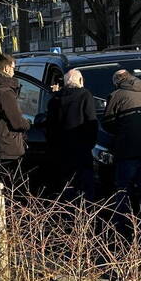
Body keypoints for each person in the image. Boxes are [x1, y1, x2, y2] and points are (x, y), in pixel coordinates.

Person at [103, 69, 141, 218]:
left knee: (123, 188)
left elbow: (107, 123)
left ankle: (124, 225)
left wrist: (122, 130)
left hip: (126, 150)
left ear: (117, 81)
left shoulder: (116, 96)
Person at [45, 69, 99, 200]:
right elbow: (91, 121)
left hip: (61, 151)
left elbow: (49, 127)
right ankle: (85, 216)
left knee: (66, 187)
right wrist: (90, 143)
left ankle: (67, 217)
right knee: (86, 188)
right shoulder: (85, 95)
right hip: (81, 150)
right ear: (80, 81)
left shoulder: (55, 100)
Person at [0, 54, 31, 183]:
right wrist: (28, 123)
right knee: (11, 188)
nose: (14, 71)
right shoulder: (5, 92)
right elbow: (17, 122)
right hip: (8, 148)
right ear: (7, 68)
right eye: (14, 68)